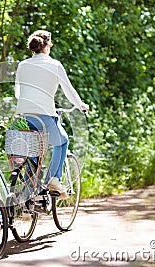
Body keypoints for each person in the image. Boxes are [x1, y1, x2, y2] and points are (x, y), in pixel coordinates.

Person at [14, 30, 89, 199]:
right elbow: (69, 90)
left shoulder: (22, 65)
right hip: (45, 116)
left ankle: (28, 200)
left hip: (23, 117)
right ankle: (53, 180)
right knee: (62, 142)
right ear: (48, 45)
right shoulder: (55, 65)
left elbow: (18, 92)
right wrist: (81, 105)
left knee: (32, 155)